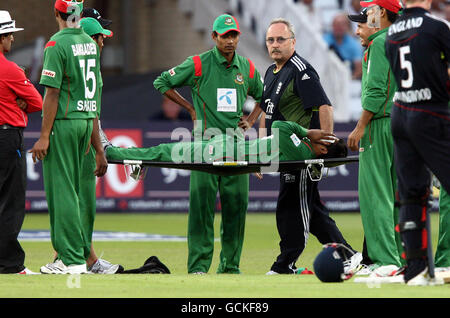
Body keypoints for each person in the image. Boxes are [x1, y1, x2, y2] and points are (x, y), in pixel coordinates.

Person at [240, 18, 360, 275]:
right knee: (311, 211)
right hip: (283, 154)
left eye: (280, 39)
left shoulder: (301, 69)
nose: (275, 45)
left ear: (293, 42)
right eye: (270, 40)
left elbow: (324, 106)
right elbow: (266, 112)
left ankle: (285, 263)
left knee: (291, 207)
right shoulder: (271, 72)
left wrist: (323, 150)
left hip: (301, 154)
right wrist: (263, 152)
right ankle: (349, 255)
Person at [153, 14, 264, 274]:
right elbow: (161, 82)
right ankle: (198, 268)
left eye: (233, 35)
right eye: (224, 35)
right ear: (214, 37)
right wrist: (189, 108)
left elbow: (264, 96)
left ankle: (230, 268)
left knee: (236, 208)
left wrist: (251, 119)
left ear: (239, 37)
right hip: (205, 144)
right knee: (202, 209)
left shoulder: (246, 68)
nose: (229, 40)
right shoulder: (198, 64)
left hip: (236, 146)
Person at [30, 0, 108, 275]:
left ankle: (70, 260)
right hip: (87, 124)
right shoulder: (90, 43)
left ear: (57, 13)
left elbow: (51, 93)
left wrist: (43, 136)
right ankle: (82, 256)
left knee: (62, 192)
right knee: (82, 193)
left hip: (64, 122)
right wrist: (99, 147)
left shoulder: (56, 44)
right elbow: (95, 100)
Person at [385, 0, 450, 285]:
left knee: (412, 193)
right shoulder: (437, 27)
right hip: (431, 111)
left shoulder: (391, 31)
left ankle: (416, 269)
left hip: (401, 113)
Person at [347, 0, 404, 277]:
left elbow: (376, 92)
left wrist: (359, 128)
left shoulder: (379, 44)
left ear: (381, 12)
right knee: (394, 196)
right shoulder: (400, 40)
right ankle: (399, 258)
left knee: (375, 196)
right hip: (401, 123)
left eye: (368, 11)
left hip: (379, 125)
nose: (358, 29)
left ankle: (386, 262)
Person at [77, 15, 122, 274]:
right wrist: (100, 148)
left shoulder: (84, 66)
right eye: (99, 38)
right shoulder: (88, 68)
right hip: (79, 141)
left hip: (79, 137)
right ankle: (81, 260)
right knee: (80, 204)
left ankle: (77, 258)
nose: (103, 42)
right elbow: (89, 112)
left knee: (76, 203)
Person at [0, 10, 43, 275]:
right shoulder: (10, 69)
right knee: (11, 200)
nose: (13, 39)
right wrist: (18, 105)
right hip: (6, 137)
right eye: (10, 34)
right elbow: (37, 102)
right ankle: (10, 264)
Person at [103, 120, 342, 164]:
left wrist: (307, 132)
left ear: (322, 149)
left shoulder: (300, 147)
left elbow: (280, 125)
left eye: (325, 138)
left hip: (224, 150)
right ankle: (124, 156)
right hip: (229, 147)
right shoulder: (302, 151)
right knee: (162, 153)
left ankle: (111, 153)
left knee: (164, 151)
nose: (321, 134)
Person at [323, 13, 363, 79]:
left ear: (347, 27)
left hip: (346, 77)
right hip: (326, 76)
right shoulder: (323, 40)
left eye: (341, 25)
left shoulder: (354, 44)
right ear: (332, 26)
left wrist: (349, 80)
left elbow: (359, 69)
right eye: (336, 25)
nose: (338, 28)